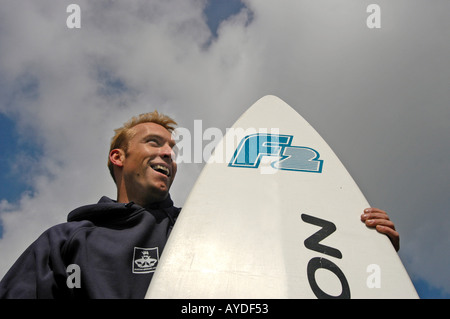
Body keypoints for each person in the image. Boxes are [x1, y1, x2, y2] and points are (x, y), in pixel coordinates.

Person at [0, 111, 399, 298]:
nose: (169, 154)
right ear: (118, 158)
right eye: (154, 143)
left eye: (173, 148)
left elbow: (291, 269)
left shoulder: (203, 232)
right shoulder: (67, 240)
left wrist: (366, 253)